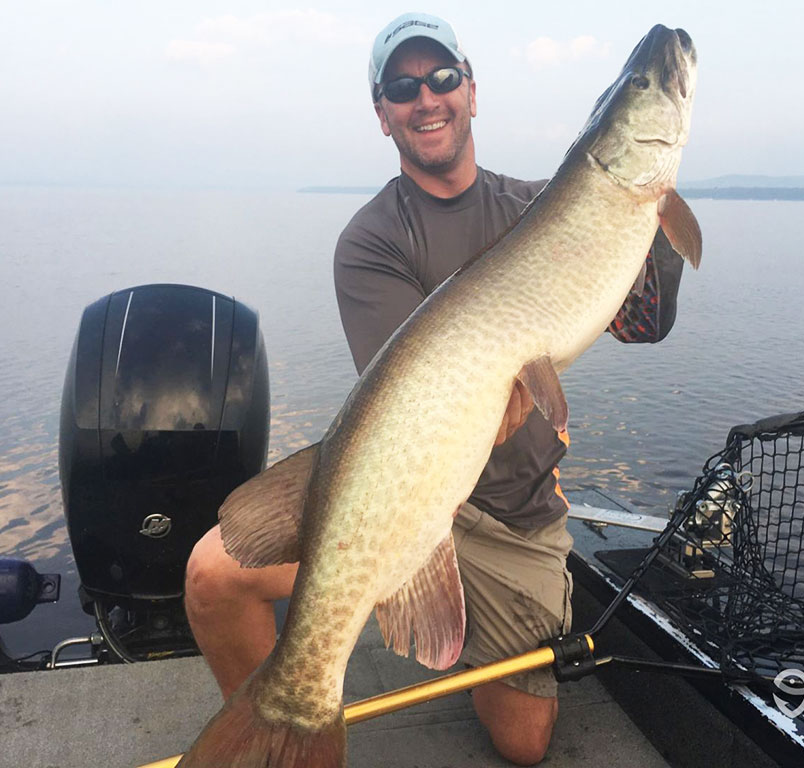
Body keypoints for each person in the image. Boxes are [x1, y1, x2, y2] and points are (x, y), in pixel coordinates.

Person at [184, 12, 684, 766]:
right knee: (213, 573)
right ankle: (279, 720)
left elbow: (644, 323)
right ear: (382, 114)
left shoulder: (542, 203)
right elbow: (405, 415)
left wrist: (652, 211)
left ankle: (464, 642)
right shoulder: (372, 240)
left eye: (443, 78)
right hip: (411, 498)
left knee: (524, 744)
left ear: (472, 92)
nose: (428, 98)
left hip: (514, 517)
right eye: (403, 86)